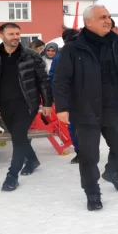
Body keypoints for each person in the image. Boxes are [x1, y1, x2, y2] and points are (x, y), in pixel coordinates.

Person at [53, 5, 118, 211]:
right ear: (88, 22)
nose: (107, 20)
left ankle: (112, 171)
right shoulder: (73, 48)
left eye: (108, 16)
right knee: (89, 155)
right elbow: (61, 79)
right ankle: (92, 192)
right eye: (102, 17)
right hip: (85, 109)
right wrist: (62, 107)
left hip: (115, 107)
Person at [0, 23, 53, 192]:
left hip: (27, 103)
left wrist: (47, 103)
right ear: (1, 35)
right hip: (4, 104)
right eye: (11, 34)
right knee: (17, 136)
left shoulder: (31, 56)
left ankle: (12, 176)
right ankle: (32, 160)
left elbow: (43, 80)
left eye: (18, 34)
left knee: (18, 137)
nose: (15, 37)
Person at [49, 28, 80, 164]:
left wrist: (54, 95)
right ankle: (84, 151)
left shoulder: (60, 55)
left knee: (74, 125)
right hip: (82, 95)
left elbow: (53, 77)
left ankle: (81, 151)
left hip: (69, 97)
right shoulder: (88, 51)